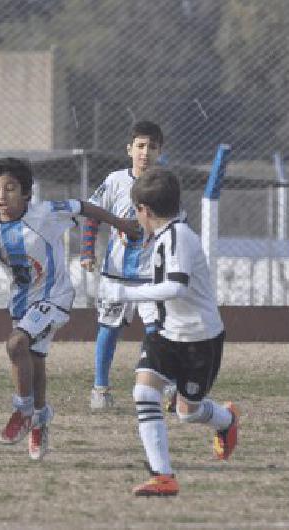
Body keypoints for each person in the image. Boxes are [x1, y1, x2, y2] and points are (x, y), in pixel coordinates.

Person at [0, 157, 142, 460]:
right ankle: (39, 419)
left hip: (56, 297)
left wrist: (122, 224)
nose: (1, 196)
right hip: (22, 304)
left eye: (10, 188)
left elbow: (84, 206)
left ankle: (22, 412)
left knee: (16, 344)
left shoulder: (46, 213)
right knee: (33, 360)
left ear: (26, 193)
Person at [98, 167, 238, 496]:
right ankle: (163, 476)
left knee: (187, 412)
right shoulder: (161, 237)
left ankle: (226, 420)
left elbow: (174, 288)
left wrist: (125, 294)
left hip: (200, 339)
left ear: (144, 211)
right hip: (166, 333)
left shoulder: (180, 237)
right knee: (144, 393)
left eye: (136, 211)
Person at [80, 120, 175, 410]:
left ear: (160, 151)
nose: (146, 152)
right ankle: (100, 388)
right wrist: (87, 251)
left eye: (152, 147)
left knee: (156, 331)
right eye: (141, 146)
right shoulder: (114, 181)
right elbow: (92, 215)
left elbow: (175, 226)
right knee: (108, 328)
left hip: (151, 276)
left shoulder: (164, 185)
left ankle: (161, 386)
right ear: (129, 149)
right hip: (116, 274)